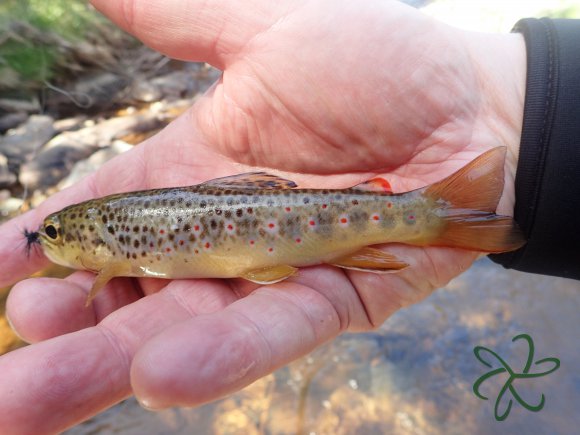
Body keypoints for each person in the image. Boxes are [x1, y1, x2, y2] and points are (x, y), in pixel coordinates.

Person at [0, 0, 578, 433]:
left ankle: (431, 214)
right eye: (51, 230)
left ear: (94, 240)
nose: (49, 239)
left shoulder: (107, 258)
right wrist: (526, 110)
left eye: (54, 233)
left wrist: (508, 104)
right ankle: (432, 214)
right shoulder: (111, 245)